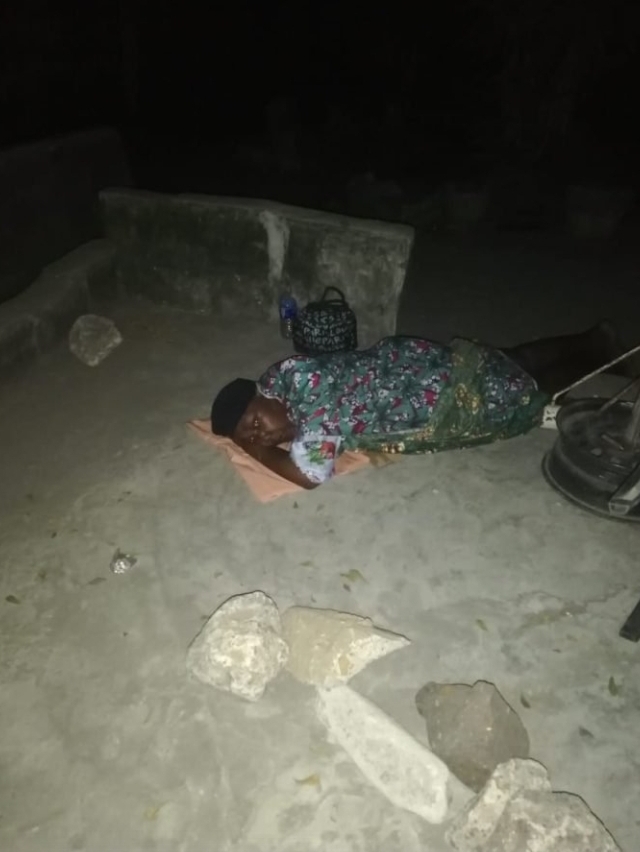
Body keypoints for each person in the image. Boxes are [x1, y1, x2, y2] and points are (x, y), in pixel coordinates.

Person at [210, 322, 630, 489]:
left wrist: (253, 450)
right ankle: (595, 340)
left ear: (261, 395)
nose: (261, 434)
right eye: (253, 436)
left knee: (520, 391)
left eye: (254, 422)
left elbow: (309, 475)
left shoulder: (315, 402)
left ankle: (597, 360)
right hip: (412, 360)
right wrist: (256, 438)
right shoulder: (285, 375)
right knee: (509, 359)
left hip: (438, 393)